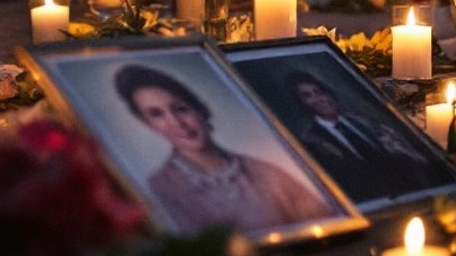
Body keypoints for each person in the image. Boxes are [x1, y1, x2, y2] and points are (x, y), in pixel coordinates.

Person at [114, 64, 332, 234]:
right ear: (148, 124)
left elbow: (327, 225)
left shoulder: (265, 170)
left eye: (180, 108)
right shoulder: (163, 188)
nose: (176, 123)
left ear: (198, 109)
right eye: (157, 114)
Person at [284, 69, 435, 201]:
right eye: (308, 96)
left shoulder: (362, 122)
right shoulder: (312, 141)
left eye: (319, 91)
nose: (319, 99)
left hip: (406, 192)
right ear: (301, 103)